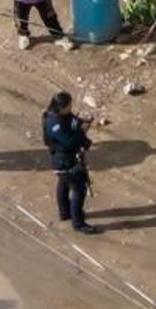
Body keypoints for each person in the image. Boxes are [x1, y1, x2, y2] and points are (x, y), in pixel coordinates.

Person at [42, 92, 97, 234]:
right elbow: (68, 143)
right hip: (65, 160)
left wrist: (81, 122)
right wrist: (81, 132)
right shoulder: (54, 124)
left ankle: (65, 212)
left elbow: (72, 121)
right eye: (68, 106)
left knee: (64, 183)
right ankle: (78, 223)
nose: (70, 108)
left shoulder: (59, 115)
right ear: (60, 107)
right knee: (79, 189)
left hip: (63, 160)